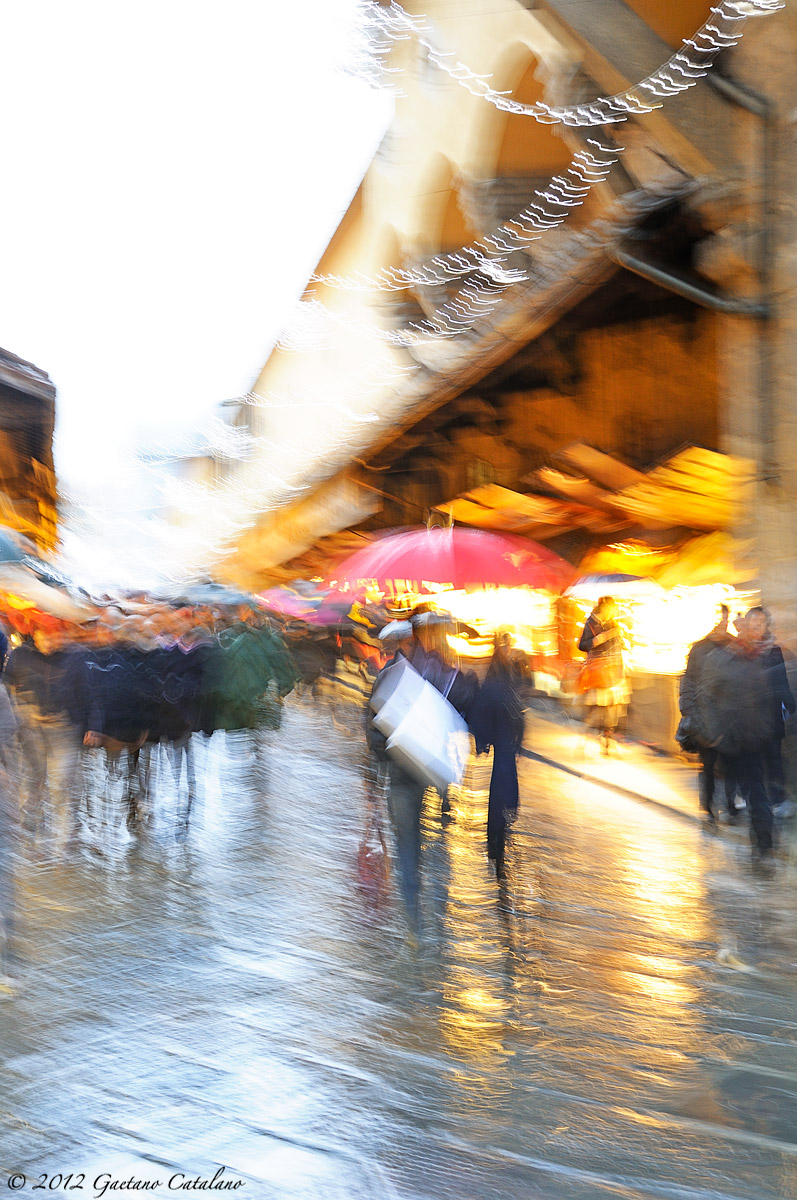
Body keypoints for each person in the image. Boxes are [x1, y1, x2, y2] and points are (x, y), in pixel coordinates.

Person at [366, 608, 478, 933]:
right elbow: (466, 706)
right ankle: (430, 914)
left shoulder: (391, 673)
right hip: (426, 771)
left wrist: (374, 776)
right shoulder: (442, 673)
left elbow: (373, 730)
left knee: (407, 843)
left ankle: (413, 916)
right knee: (421, 843)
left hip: (399, 775)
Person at [697, 606, 783, 874]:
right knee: (749, 791)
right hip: (731, 738)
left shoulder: (765, 657)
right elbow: (707, 696)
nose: (754, 629)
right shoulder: (722, 657)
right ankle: (762, 844)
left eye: (759, 625)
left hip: (753, 739)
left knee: (755, 792)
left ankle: (764, 847)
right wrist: (716, 733)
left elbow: (772, 697)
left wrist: (764, 729)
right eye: (750, 624)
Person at [470, 631, 525, 875]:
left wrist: (483, 741)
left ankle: (496, 842)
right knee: (504, 790)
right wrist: (517, 740)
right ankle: (499, 836)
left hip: (503, 744)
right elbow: (516, 712)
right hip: (505, 745)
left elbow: (481, 711)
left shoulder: (496, 679)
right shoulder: (506, 680)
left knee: (498, 792)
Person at [680, 604, 739, 823]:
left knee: (731, 763)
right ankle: (708, 808)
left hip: (729, 715)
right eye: (719, 619)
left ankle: (731, 805)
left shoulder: (735, 645)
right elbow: (689, 679)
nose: (722, 623)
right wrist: (688, 709)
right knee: (708, 764)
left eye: (725, 618)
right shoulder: (699, 648)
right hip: (704, 716)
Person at [577, 596, 627, 755]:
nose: (612, 612)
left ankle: (607, 743)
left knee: (612, 710)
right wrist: (597, 640)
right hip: (598, 673)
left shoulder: (613, 623)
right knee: (597, 710)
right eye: (611, 609)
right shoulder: (591, 623)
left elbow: (618, 644)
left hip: (613, 673)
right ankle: (585, 740)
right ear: (604, 608)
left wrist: (621, 639)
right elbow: (581, 645)